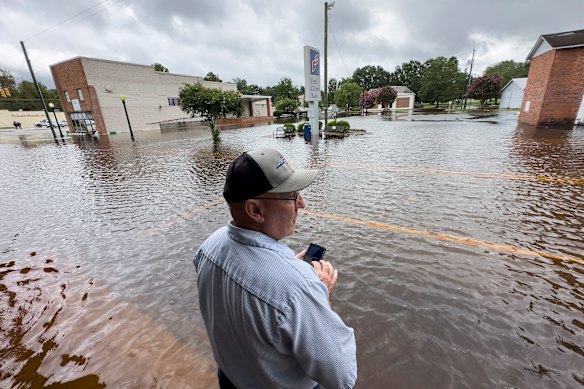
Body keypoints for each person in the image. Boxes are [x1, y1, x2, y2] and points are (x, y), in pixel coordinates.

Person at [194, 147, 357, 389]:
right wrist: (321, 296)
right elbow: (342, 378)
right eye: (292, 196)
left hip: (230, 378)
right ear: (255, 210)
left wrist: (288, 268)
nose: (302, 203)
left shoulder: (208, 248)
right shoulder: (298, 289)